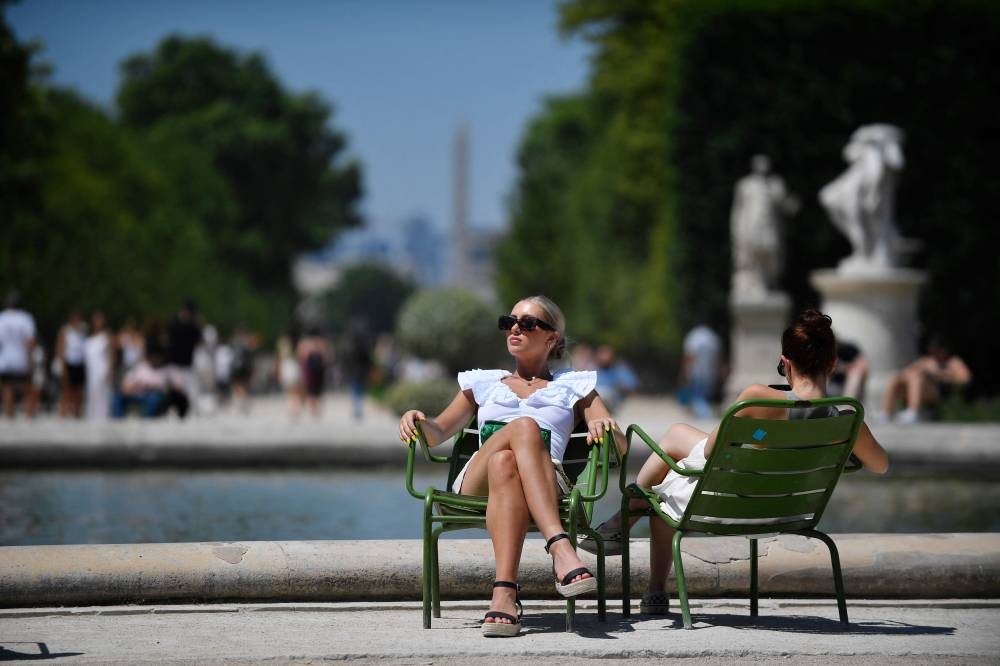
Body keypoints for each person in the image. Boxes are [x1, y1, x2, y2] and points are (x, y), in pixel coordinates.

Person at [580, 310, 889, 615]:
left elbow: (713, 448)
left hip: (728, 506)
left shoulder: (758, 399)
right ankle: (626, 522)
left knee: (661, 487)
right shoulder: (849, 419)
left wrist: (755, 436)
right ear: (833, 363)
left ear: (785, 363)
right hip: (789, 511)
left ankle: (630, 532)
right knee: (676, 446)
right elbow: (880, 466)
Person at [398, 295, 626, 637]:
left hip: (546, 481)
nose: (515, 328)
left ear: (551, 338)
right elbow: (437, 433)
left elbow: (620, 448)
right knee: (523, 427)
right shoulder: (483, 383)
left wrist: (604, 427)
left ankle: (504, 594)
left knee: (506, 460)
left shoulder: (574, 388)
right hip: (477, 480)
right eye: (510, 322)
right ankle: (560, 547)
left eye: (528, 323)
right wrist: (417, 420)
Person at [730, 154, 799, 299]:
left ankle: (768, 282)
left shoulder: (776, 184)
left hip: (770, 227)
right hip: (752, 226)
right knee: (755, 253)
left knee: (771, 253)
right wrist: (738, 230)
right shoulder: (745, 184)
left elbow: (784, 204)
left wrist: (791, 205)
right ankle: (758, 285)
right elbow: (739, 210)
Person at [881, 336, 971, 424]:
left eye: (938, 350)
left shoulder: (953, 362)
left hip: (939, 392)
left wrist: (939, 374)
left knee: (916, 378)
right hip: (920, 388)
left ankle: (913, 412)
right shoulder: (927, 361)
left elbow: (965, 378)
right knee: (895, 377)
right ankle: (886, 413)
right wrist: (921, 371)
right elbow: (906, 372)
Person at [0, 290, 38, 418]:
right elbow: (30, 341)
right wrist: (30, 358)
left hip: (5, 359)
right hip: (21, 358)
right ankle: (28, 415)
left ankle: (9, 414)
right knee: (26, 386)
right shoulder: (26, 318)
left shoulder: (2, 318)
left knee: (7, 387)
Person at [679, 323, 722, 419]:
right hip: (710, 372)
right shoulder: (712, 337)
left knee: (698, 397)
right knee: (705, 396)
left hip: (696, 371)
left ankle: (705, 416)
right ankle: (705, 414)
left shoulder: (694, 336)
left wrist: (685, 372)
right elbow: (717, 358)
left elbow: (689, 356)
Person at [56, 311, 88, 418]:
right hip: (69, 363)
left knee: (78, 390)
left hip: (80, 363)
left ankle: (77, 414)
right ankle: (63, 414)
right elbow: (60, 350)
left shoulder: (83, 331)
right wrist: (63, 367)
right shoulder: (65, 332)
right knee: (67, 390)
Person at [84, 310, 115, 420]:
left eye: (100, 320)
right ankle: (92, 417)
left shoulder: (107, 336)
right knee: (92, 393)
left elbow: (112, 354)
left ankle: (103, 417)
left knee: (102, 395)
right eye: (96, 320)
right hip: (91, 371)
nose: (97, 323)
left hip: (103, 370)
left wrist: (110, 370)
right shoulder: (89, 337)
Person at [296, 329, 331, 419]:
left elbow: (302, 358)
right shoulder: (321, 344)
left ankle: (313, 408)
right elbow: (326, 358)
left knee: (311, 389)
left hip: (310, 371)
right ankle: (316, 408)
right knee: (317, 390)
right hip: (319, 371)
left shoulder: (305, 344)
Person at [594, 344, 639, 413]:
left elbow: (632, 386)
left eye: (606, 354)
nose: (604, 357)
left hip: (614, 401)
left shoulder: (620, 370)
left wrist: (621, 386)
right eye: (602, 354)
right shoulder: (593, 371)